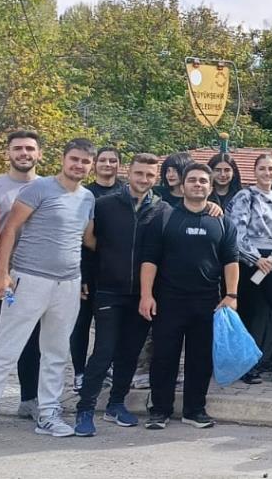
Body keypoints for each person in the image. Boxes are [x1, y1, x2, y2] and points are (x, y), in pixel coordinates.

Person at [0, 139, 97, 449]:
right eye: (74, 159)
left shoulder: (88, 197)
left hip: (67, 284)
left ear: (90, 166)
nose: (79, 165)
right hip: (28, 280)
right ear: (63, 159)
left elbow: (88, 238)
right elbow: (9, 229)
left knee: (55, 352)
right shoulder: (39, 189)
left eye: (85, 161)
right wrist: (2, 273)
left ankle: (48, 413)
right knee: (4, 350)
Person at [72, 153, 169, 437]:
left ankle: (116, 404)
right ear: (129, 172)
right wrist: (87, 276)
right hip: (108, 291)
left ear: (156, 178)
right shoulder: (104, 205)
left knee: (129, 353)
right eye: (139, 173)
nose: (144, 179)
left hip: (142, 294)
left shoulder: (162, 209)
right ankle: (85, 408)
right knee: (104, 351)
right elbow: (87, 243)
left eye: (149, 175)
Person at [138, 163, 240, 430]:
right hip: (168, 301)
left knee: (200, 359)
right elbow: (149, 260)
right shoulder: (165, 218)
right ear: (182, 186)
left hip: (207, 302)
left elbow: (231, 261)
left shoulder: (222, 222)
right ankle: (159, 410)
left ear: (210, 186)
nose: (198, 184)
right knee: (164, 357)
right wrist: (146, 295)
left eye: (203, 181)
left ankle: (195, 411)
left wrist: (231, 295)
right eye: (192, 180)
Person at [0, 131, 44, 421]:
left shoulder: (49, 188)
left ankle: (29, 400)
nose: (24, 153)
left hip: (33, 279)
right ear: (8, 153)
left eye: (29, 148)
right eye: (18, 148)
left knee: (31, 342)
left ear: (39, 154)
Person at [229, 153, 272, 385]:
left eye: (271, 169)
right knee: (248, 313)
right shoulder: (245, 196)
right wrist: (255, 258)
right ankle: (246, 366)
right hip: (248, 261)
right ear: (255, 171)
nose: (267, 173)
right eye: (262, 169)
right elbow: (236, 230)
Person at [70, 146, 124, 394]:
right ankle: (80, 373)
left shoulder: (126, 191)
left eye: (113, 160)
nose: (108, 164)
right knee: (81, 323)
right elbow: (79, 236)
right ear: (95, 164)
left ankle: (105, 367)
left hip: (116, 270)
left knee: (110, 326)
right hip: (87, 267)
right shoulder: (84, 193)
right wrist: (80, 273)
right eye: (103, 160)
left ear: (119, 164)